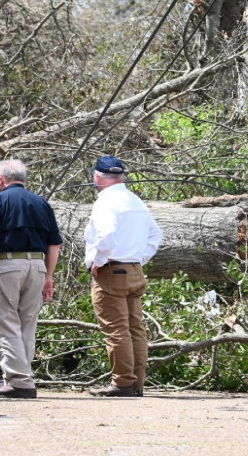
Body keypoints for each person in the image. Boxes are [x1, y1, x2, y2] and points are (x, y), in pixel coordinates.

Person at [0, 160, 62, 399]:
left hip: (6, 264)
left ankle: (20, 382)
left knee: (5, 323)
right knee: (27, 324)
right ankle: (21, 376)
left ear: (0, 179)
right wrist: (48, 276)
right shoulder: (42, 203)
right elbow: (54, 245)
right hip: (37, 265)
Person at [84, 155, 163, 397]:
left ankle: (123, 383)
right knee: (135, 328)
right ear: (122, 177)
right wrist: (138, 259)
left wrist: (97, 261)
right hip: (134, 270)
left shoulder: (106, 202)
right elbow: (155, 235)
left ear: (97, 177)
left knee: (117, 329)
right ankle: (136, 383)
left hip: (111, 270)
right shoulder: (135, 200)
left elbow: (107, 234)